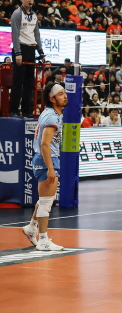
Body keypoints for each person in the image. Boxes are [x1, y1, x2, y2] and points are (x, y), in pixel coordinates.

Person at [22, 82, 67, 251]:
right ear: (52, 98)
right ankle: (43, 241)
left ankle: (31, 228)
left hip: (45, 159)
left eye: (64, 93)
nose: (65, 96)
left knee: (45, 199)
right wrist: (50, 168)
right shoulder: (51, 117)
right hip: (47, 160)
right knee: (46, 202)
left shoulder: (50, 113)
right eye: (61, 94)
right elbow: (45, 144)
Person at [10, 0, 46, 118]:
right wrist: (18, 53)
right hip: (21, 48)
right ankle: (14, 110)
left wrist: (41, 53)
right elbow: (15, 34)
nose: (30, 0)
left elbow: (36, 35)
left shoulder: (34, 15)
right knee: (18, 82)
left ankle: (26, 110)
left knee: (29, 83)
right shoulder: (17, 14)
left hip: (31, 49)